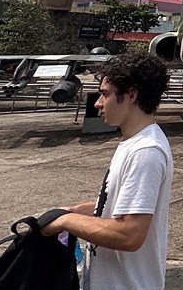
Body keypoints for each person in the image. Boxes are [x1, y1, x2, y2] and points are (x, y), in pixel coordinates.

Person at [41, 53, 173, 290]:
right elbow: (118, 205)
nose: (98, 103)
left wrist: (67, 221)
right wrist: (73, 211)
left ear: (131, 95)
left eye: (105, 94)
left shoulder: (145, 151)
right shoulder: (133, 143)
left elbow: (129, 234)